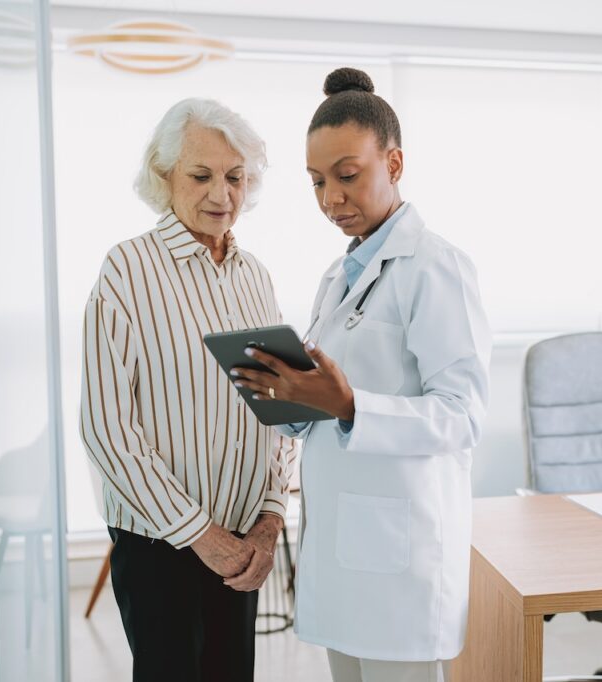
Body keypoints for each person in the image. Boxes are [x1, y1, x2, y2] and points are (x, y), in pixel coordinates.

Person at [230, 67, 490, 682]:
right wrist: (289, 397)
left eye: (347, 176)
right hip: (344, 552)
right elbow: (331, 401)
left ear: (394, 165)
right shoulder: (338, 275)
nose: (330, 200)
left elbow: (463, 414)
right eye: (317, 182)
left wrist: (351, 406)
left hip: (402, 562)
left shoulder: (436, 267)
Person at [80, 98, 296, 682]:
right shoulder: (126, 269)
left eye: (235, 177)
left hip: (246, 541)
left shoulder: (256, 275)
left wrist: (269, 523)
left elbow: (283, 411)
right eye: (202, 176)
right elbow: (106, 429)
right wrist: (203, 536)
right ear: (164, 175)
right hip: (161, 544)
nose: (222, 195)